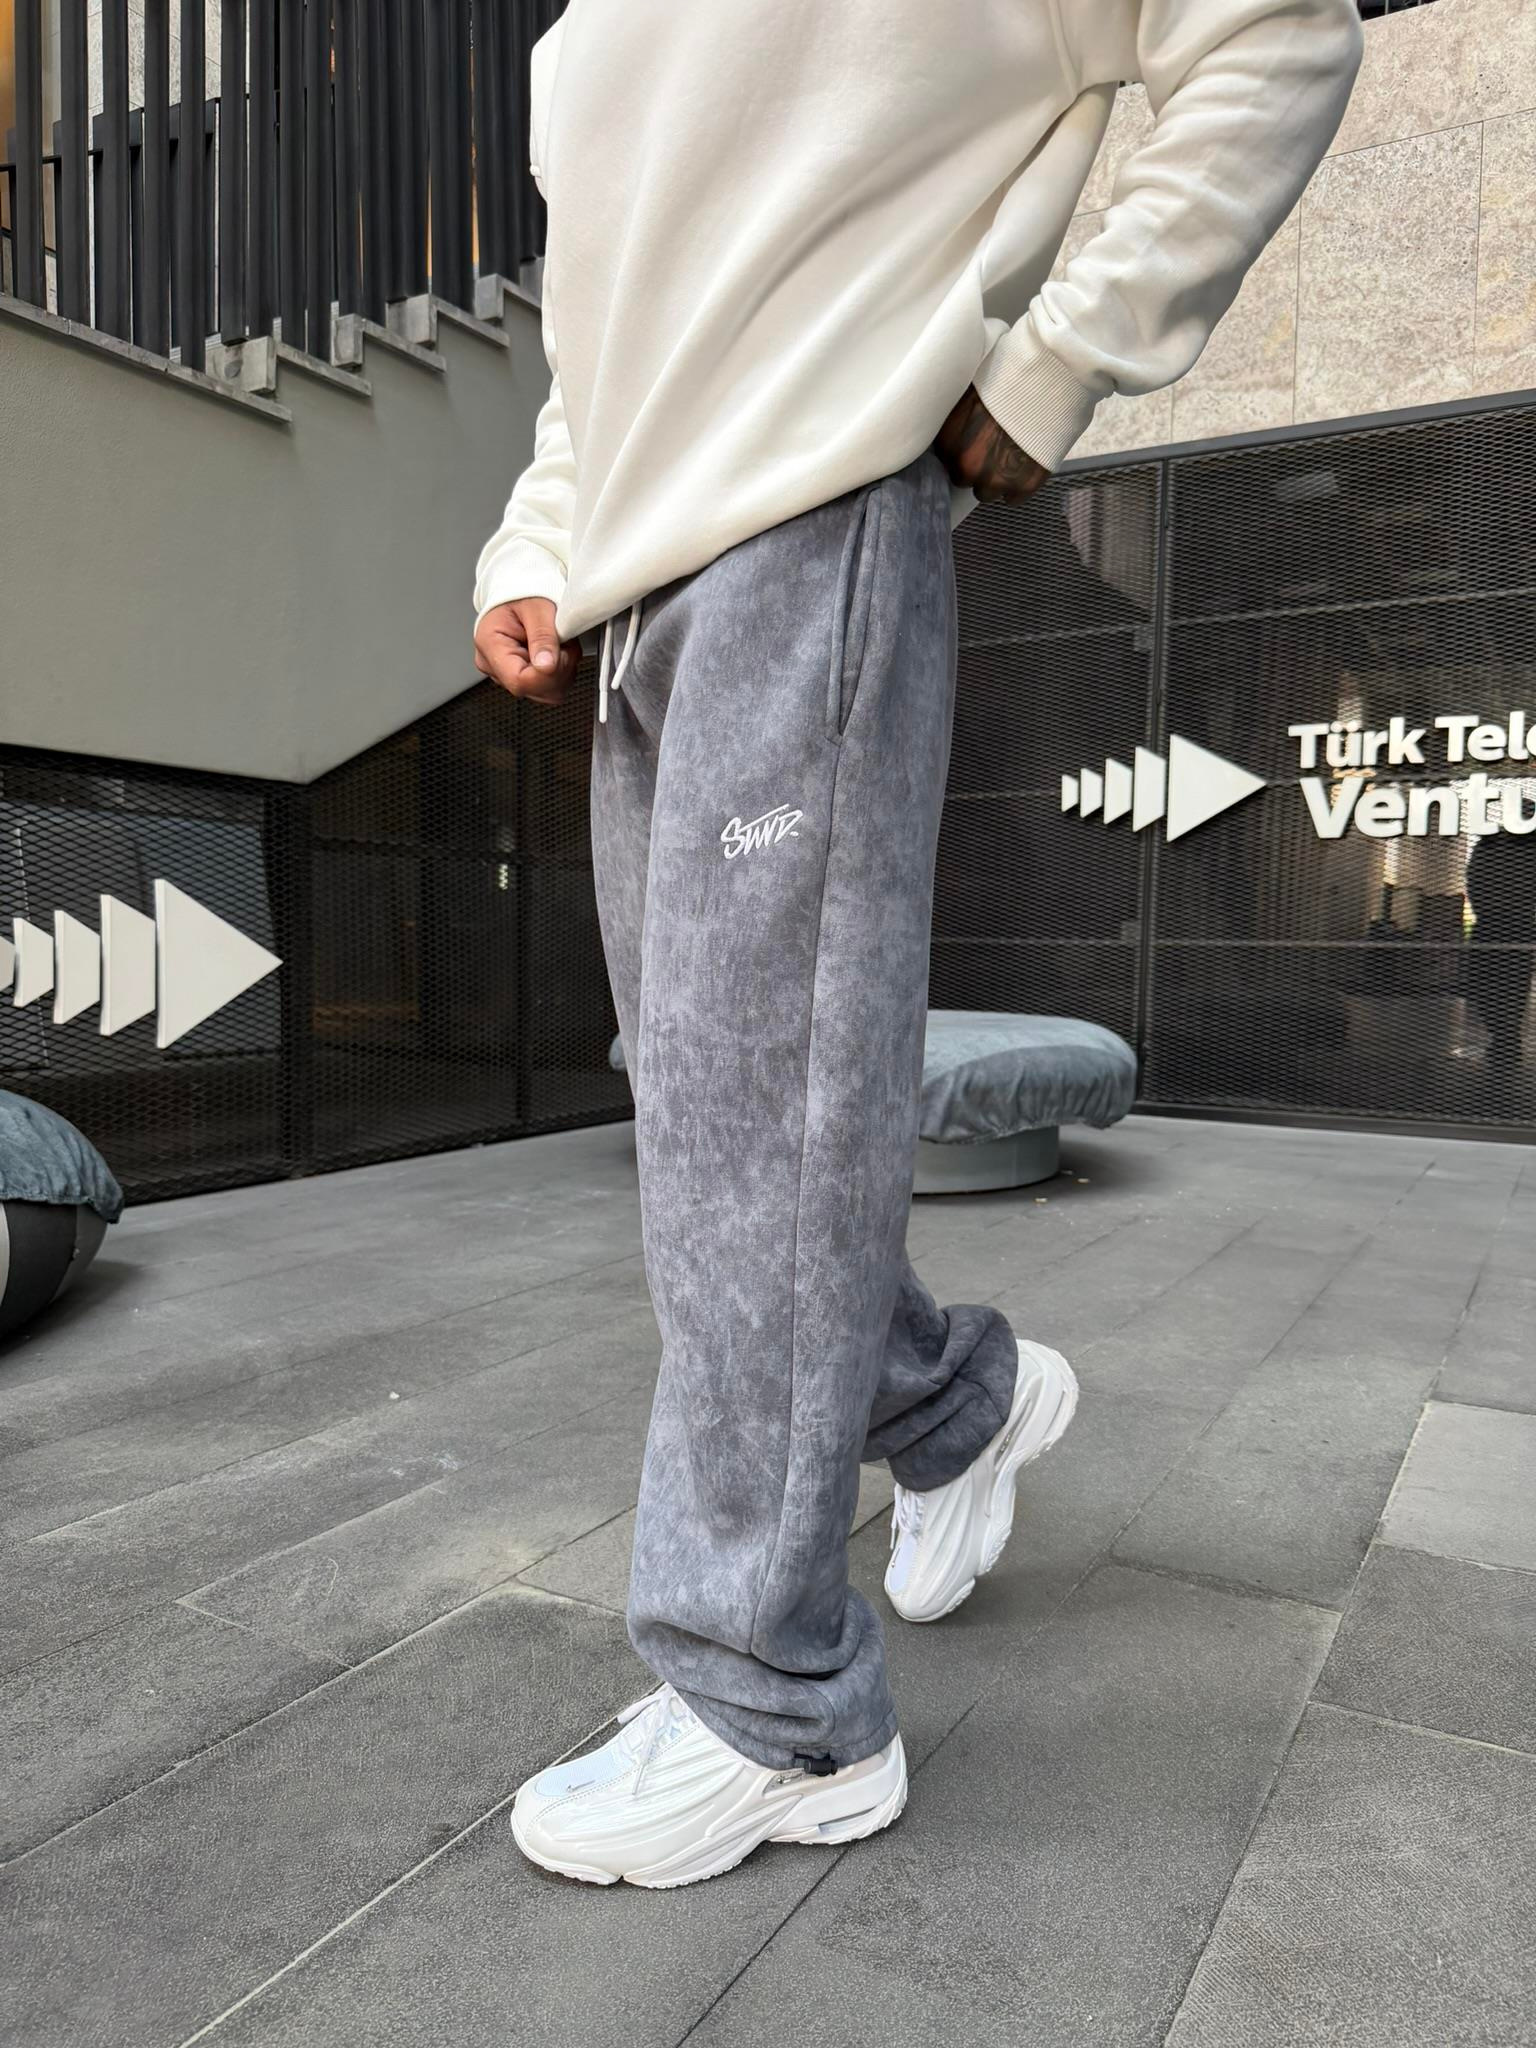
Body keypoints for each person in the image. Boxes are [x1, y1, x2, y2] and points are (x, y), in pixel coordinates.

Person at [473, 0, 1364, 1890]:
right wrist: (538, 538)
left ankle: (780, 1713)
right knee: (721, 1144)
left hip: (810, 529)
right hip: (634, 613)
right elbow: (613, 335)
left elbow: (1275, 34)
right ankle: (956, 1403)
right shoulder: (581, 28)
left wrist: (1058, 365)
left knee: (756, 1145)